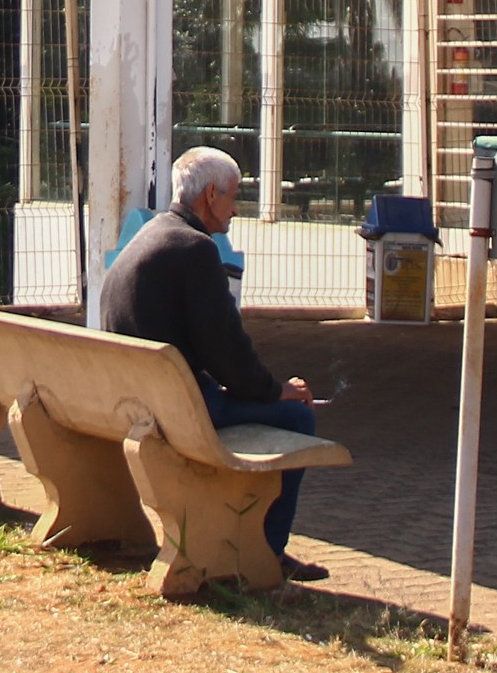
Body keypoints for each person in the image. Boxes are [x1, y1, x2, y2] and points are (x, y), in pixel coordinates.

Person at [98, 147, 327, 582]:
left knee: (258, 402)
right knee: (297, 417)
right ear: (209, 196)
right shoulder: (196, 248)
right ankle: (265, 552)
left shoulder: (149, 235)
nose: (235, 209)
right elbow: (226, 350)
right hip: (177, 410)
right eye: (233, 196)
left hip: (137, 401)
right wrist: (276, 389)